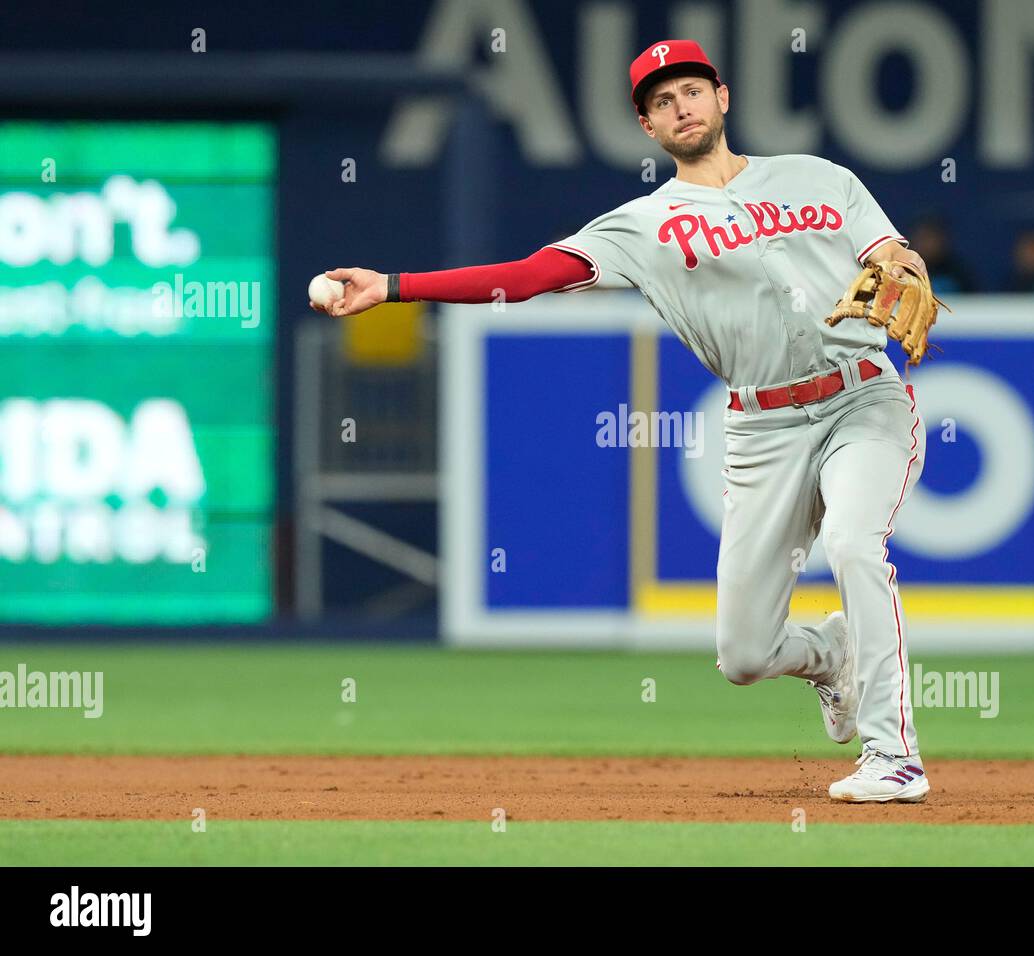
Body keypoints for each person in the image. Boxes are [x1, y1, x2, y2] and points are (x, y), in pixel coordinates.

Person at [314, 40, 934, 804]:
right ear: (648, 126)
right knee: (743, 654)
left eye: (692, 90)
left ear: (724, 97)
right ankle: (828, 655)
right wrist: (396, 285)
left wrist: (902, 263)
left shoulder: (821, 178)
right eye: (662, 100)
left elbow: (892, 254)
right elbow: (529, 276)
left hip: (862, 398)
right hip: (763, 427)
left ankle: (892, 755)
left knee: (852, 543)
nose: (682, 106)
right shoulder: (643, 225)